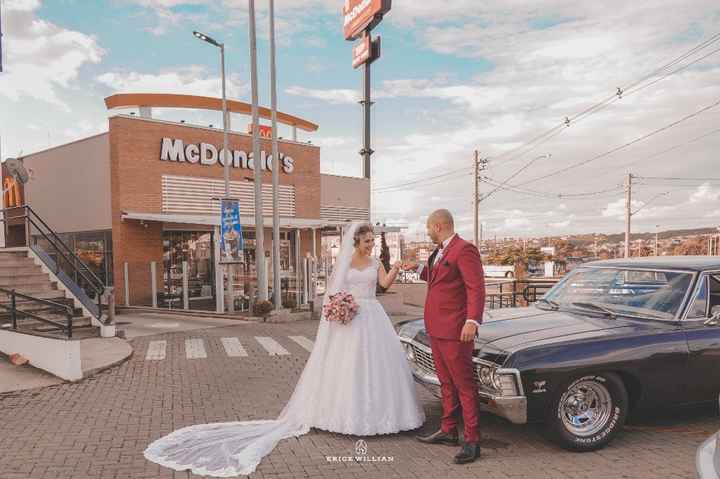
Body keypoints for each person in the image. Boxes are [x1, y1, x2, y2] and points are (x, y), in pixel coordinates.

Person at [144, 222, 425, 477]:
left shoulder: (376, 262)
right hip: (351, 320)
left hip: (373, 316)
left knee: (378, 366)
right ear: (356, 242)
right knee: (348, 366)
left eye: (372, 241)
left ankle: (383, 415)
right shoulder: (347, 262)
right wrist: (340, 306)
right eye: (366, 241)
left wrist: (397, 268)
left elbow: (384, 285)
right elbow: (333, 292)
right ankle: (345, 416)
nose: (371, 245)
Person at [403, 209, 486, 464]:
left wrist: (472, 320)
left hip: (455, 331)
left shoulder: (464, 249)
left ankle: (472, 440)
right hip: (436, 329)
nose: (427, 232)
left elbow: (476, 287)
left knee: (463, 384)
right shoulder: (440, 251)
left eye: (428, 228)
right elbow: (438, 277)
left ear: (438, 226)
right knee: (445, 382)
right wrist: (417, 267)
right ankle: (448, 430)